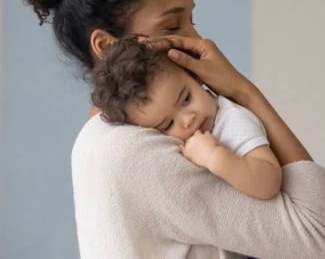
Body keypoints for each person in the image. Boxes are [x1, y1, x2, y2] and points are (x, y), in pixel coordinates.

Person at [9, 0, 325, 258]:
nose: (200, 40)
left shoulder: (106, 141)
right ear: (107, 46)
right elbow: (317, 236)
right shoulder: (136, 153)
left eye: (192, 20)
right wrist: (245, 92)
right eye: (173, 24)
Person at [91, 36, 282, 200]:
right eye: (168, 124)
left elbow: (269, 181)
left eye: (186, 99)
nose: (188, 119)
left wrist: (214, 157)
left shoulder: (232, 120)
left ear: (195, 77)